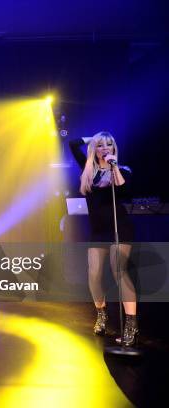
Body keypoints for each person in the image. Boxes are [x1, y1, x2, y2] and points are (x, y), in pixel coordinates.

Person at [69, 132, 137, 346]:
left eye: (109, 144)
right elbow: (72, 144)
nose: (105, 148)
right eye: (101, 145)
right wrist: (94, 139)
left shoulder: (123, 170)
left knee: (119, 270)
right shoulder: (88, 170)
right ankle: (102, 314)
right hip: (98, 231)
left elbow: (125, 191)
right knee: (94, 274)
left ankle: (131, 325)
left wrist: (114, 166)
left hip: (120, 228)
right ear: (94, 149)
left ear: (114, 148)